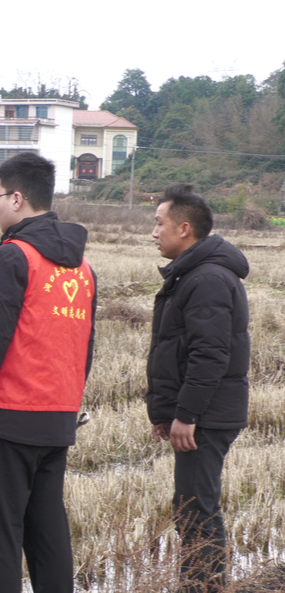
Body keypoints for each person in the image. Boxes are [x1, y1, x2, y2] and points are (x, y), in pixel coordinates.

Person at [0, 152, 96, 593]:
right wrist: (67, 405)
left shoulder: (13, 257)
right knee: (48, 532)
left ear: (16, 199)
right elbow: (85, 347)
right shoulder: (83, 268)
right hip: (58, 419)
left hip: (10, 418)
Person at [148, 183, 249, 592]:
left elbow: (210, 355)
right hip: (202, 413)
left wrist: (186, 414)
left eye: (160, 223)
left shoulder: (206, 278)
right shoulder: (193, 273)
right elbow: (179, 350)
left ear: (184, 228)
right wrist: (165, 413)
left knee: (196, 510)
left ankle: (203, 587)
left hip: (205, 416)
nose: (154, 231)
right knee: (192, 507)